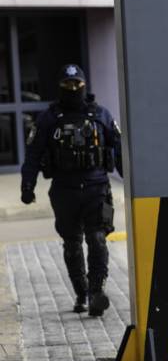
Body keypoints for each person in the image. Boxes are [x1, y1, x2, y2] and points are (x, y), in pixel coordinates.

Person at [20, 64, 122, 317]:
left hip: (97, 187)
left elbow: (118, 147)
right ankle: (82, 292)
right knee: (72, 244)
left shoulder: (100, 114)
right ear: (60, 87)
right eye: (68, 85)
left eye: (77, 84)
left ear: (84, 85)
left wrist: (130, 177)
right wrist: (27, 184)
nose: (73, 88)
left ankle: (97, 290)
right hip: (64, 191)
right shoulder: (49, 118)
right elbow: (33, 153)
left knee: (98, 239)